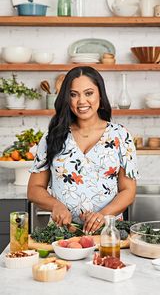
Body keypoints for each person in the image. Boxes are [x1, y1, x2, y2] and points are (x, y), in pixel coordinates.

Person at [27, 66, 138, 234]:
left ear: (100, 94)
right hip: (61, 234)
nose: (81, 101)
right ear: (67, 98)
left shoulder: (120, 136)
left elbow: (128, 190)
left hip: (107, 234)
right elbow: (34, 189)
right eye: (73, 94)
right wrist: (56, 205)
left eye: (88, 93)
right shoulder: (53, 136)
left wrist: (102, 215)